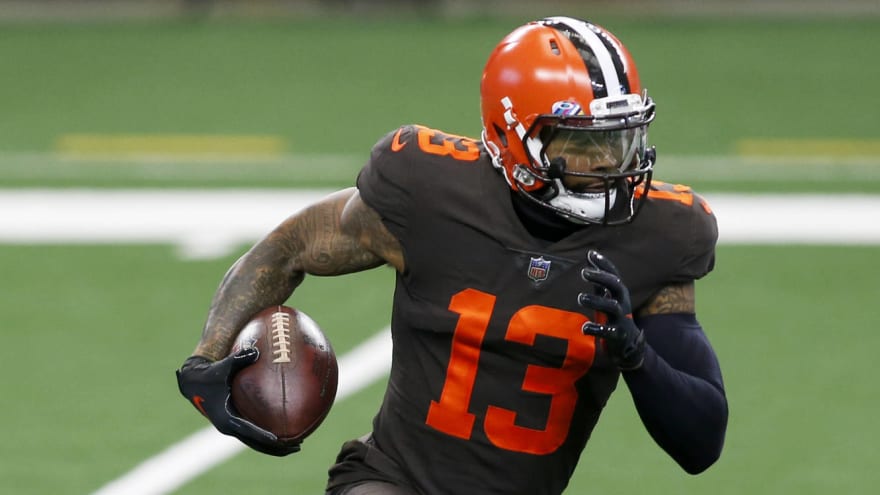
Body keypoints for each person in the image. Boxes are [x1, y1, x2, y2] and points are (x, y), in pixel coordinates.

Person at [176, 16, 728, 495]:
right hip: (394, 479)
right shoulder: (429, 192)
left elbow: (701, 444)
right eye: (583, 143)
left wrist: (637, 355)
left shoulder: (660, 235)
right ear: (514, 136)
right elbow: (291, 244)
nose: (611, 165)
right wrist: (207, 356)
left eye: (621, 139)